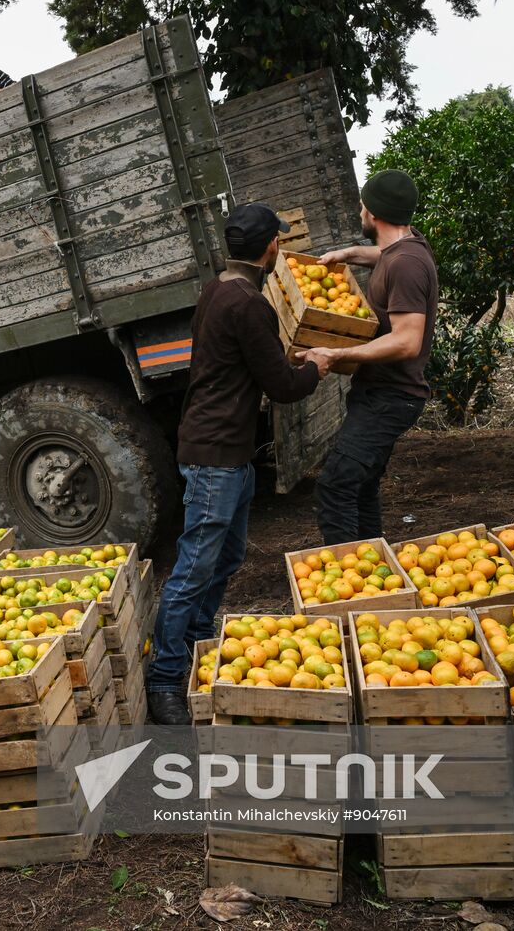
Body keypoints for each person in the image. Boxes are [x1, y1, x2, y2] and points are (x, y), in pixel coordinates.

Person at [145, 204, 331, 725]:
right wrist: (317, 365)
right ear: (271, 247)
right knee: (192, 568)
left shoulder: (218, 288)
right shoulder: (250, 304)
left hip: (227, 454)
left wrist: (284, 360)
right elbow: (283, 389)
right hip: (216, 456)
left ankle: (200, 644)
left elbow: (249, 364)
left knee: (225, 558)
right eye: (280, 242)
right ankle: (164, 679)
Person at [298, 169, 438, 545]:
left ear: (373, 213)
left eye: (362, 206)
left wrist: (339, 352)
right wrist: (346, 254)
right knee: (360, 486)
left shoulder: (406, 265)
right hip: (382, 394)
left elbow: (407, 341)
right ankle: (373, 565)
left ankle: (348, 578)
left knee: (336, 485)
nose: (360, 212)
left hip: (391, 397)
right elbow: (383, 254)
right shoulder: (405, 248)